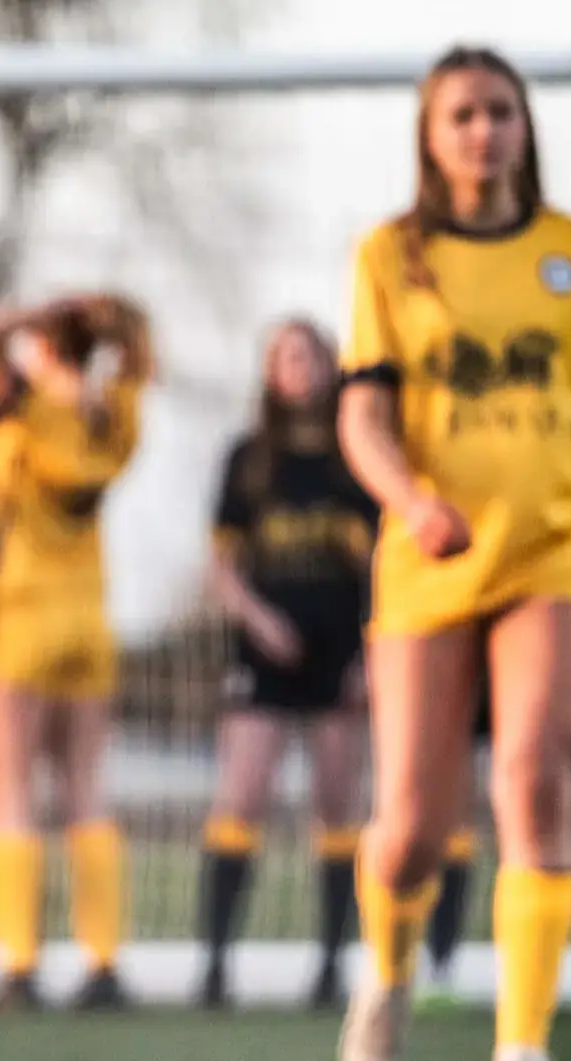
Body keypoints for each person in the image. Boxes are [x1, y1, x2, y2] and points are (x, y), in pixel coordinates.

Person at [335, 46, 571, 1061]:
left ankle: (520, 1056)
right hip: (427, 561)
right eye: (462, 114)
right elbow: (362, 413)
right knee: (414, 827)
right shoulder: (389, 255)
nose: (482, 130)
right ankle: (384, 975)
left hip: (556, 551)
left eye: (500, 112)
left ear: (525, 127)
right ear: (430, 135)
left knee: (529, 779)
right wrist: (408, 498)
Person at [0, 294, 155, 1010]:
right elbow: (140, 346)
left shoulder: (20, 412)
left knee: (14, 791)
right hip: (89, 618)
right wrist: (103, 315)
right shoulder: (114, 414)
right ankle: (104, 963)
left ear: (45, 350)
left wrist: (40, 312)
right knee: (86, 788)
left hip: (19, 619)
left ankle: (18, 964)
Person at [195, 319, 378, 1012]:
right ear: (271, 371)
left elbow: (386, 566)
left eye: (311, 355)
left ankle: (333, 967)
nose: (299, 367)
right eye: (286, 356)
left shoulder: (356, 455)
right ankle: (213, 965)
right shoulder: (248, 457)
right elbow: (222, 564)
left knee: (338, 805)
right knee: (241, 796)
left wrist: (369, 651)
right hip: (264, 656)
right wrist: (259, 618)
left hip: (340, 654)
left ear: (332, 367)